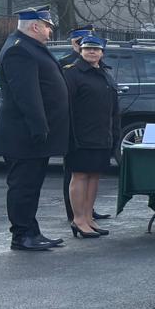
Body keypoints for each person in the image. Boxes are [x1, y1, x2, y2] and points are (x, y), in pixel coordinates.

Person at [0, 6, 71, 251]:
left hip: (32, 134)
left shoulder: (29, 46)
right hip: (23, 134)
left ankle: (31, 231)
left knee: (31, 186)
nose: (49, 32)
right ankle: (22, 235)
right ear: (35, 26)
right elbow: (26, 95)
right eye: (47, 26)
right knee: (23, 187)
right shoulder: (19, 50)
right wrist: (39, 127)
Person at [61, 33, 119, 239]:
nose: (92, 52)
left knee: (94, 175)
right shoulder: (72, 73)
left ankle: (88, 217)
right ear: (81, 50)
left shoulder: (104, 72)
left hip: (102, 134)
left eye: (96, 49)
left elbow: (112, 107)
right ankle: (78, 219)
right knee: (80, 175)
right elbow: (65, 106)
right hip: (80, 134)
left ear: (102, 52)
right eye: (87, 48)